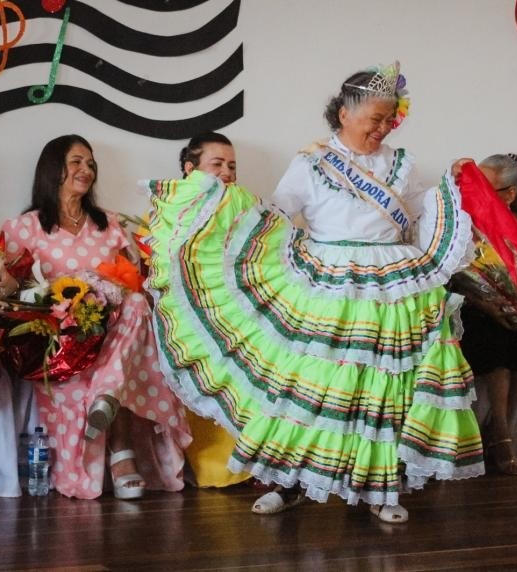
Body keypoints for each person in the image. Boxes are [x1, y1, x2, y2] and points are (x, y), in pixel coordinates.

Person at [145, 62, 484, 522]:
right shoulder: (311, 162)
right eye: (374, 118)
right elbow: (279, 215)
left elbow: (418, 214)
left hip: (389, 283)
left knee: (381, 391)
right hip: (326, 280)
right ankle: (287, 484)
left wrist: (453, 187)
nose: (382, 128)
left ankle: (381, 489)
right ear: (344, 113)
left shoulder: (400, 164)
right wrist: (228, 220)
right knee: (307, 387)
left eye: (389, 119)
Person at [0, 134, 191, 500]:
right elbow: (8, 291)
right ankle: (118, 442)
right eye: (77, 161)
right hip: (61, 345)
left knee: (134, 304)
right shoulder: (24, 228)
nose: (86, 169)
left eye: (90, 163)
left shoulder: (110, 225)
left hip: (116, 336)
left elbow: (138, 282)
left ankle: (108, 396)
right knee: (77, 484)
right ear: (53, 168)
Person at [459, 153, 517, 476]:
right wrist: (487, 305)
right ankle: (501, 435)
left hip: (516, 307)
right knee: (494, 339)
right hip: (472, 308)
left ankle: (501, 430)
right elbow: (454, 277)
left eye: (485, 188)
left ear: (509, 194)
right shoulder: (464, 224)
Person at [172, 132, 251, 488]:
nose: (227, 172)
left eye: (231, 165)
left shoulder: (248, 209)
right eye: (216, 164)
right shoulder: (170, 211)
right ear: (190, 169)